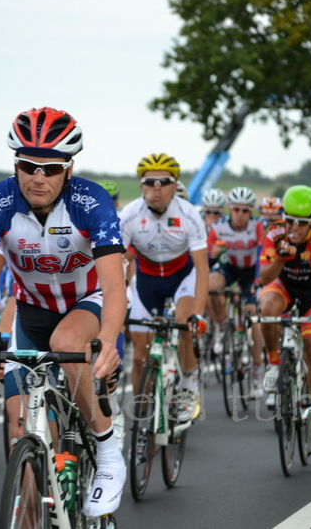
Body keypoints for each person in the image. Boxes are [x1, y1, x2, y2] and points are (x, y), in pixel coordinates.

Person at [0, 107, 127, 518]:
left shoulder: (91, 201)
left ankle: (107, 454)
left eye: (51, 168)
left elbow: (113, 284)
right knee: (22, 431)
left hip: (85, 304)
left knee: (67, 343)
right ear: (15, 164)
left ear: (68, 168)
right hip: (32, 312)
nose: (38, 177)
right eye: (27, 165)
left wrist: (108, 339)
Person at [120, 153, 208, 421]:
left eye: (164, 181)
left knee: (184, 323)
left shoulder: (189, 215)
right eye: (149, 182)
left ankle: (188, 384)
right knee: (138, 358)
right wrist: (120, 297)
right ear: (141, 186)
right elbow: (117, 262)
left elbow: (202, 268)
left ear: (175, 186)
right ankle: (142, 411)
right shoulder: (130, 215)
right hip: (147, 281)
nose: (156, 187)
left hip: (182, 277)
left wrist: (199, 314)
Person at [257, 185, 311, 454]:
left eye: (301, 223)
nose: (294, 227)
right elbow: (265, 278)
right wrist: (280, 258)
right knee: (266, 308)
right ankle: (273, 361)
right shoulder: (274, 232)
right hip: (284, 287)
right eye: (289, 220)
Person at [206, 187, 265, 398]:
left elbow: (261, 253)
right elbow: (206, 262)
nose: (240, 214)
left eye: (245, 210)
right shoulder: (217, 228)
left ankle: (257, 371)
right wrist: (211, 256)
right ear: (229, 209)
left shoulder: (258, 226)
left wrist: (257, 282)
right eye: (236, 209)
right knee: (212, 286)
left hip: (251, 271)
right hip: (229, 268)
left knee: (253, 317)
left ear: (251, 212)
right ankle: (221, 325)